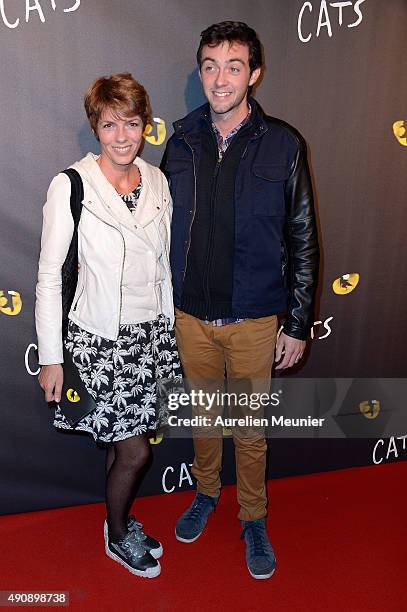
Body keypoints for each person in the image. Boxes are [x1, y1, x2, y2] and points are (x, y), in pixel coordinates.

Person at [161, 22, 319, 579]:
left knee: (248, 430)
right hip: (191, 317)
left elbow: (302, 235)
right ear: (199, 72)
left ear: (254, 73)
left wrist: (297, 323)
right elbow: (159, 228)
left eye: (233, 66)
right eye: (209, 65)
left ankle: (253, 516)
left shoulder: (283, 143)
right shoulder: (179, 141)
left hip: (254, 318)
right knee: (205, 418)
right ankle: (206, 492)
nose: (220, 77)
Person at [36, 73, 182, 579]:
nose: (122, 136)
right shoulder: (71, 185)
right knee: (135, 450)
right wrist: (52, 356)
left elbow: (162, 264)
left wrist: (170, 333)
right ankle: (118, 535)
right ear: (95, 127)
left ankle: (115, 522)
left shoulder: (158, 181)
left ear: (145, 126)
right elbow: (50, 276)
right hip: (100, 342)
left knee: (128, 442)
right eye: (110, 124)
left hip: (151, 338)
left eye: (133, 123)